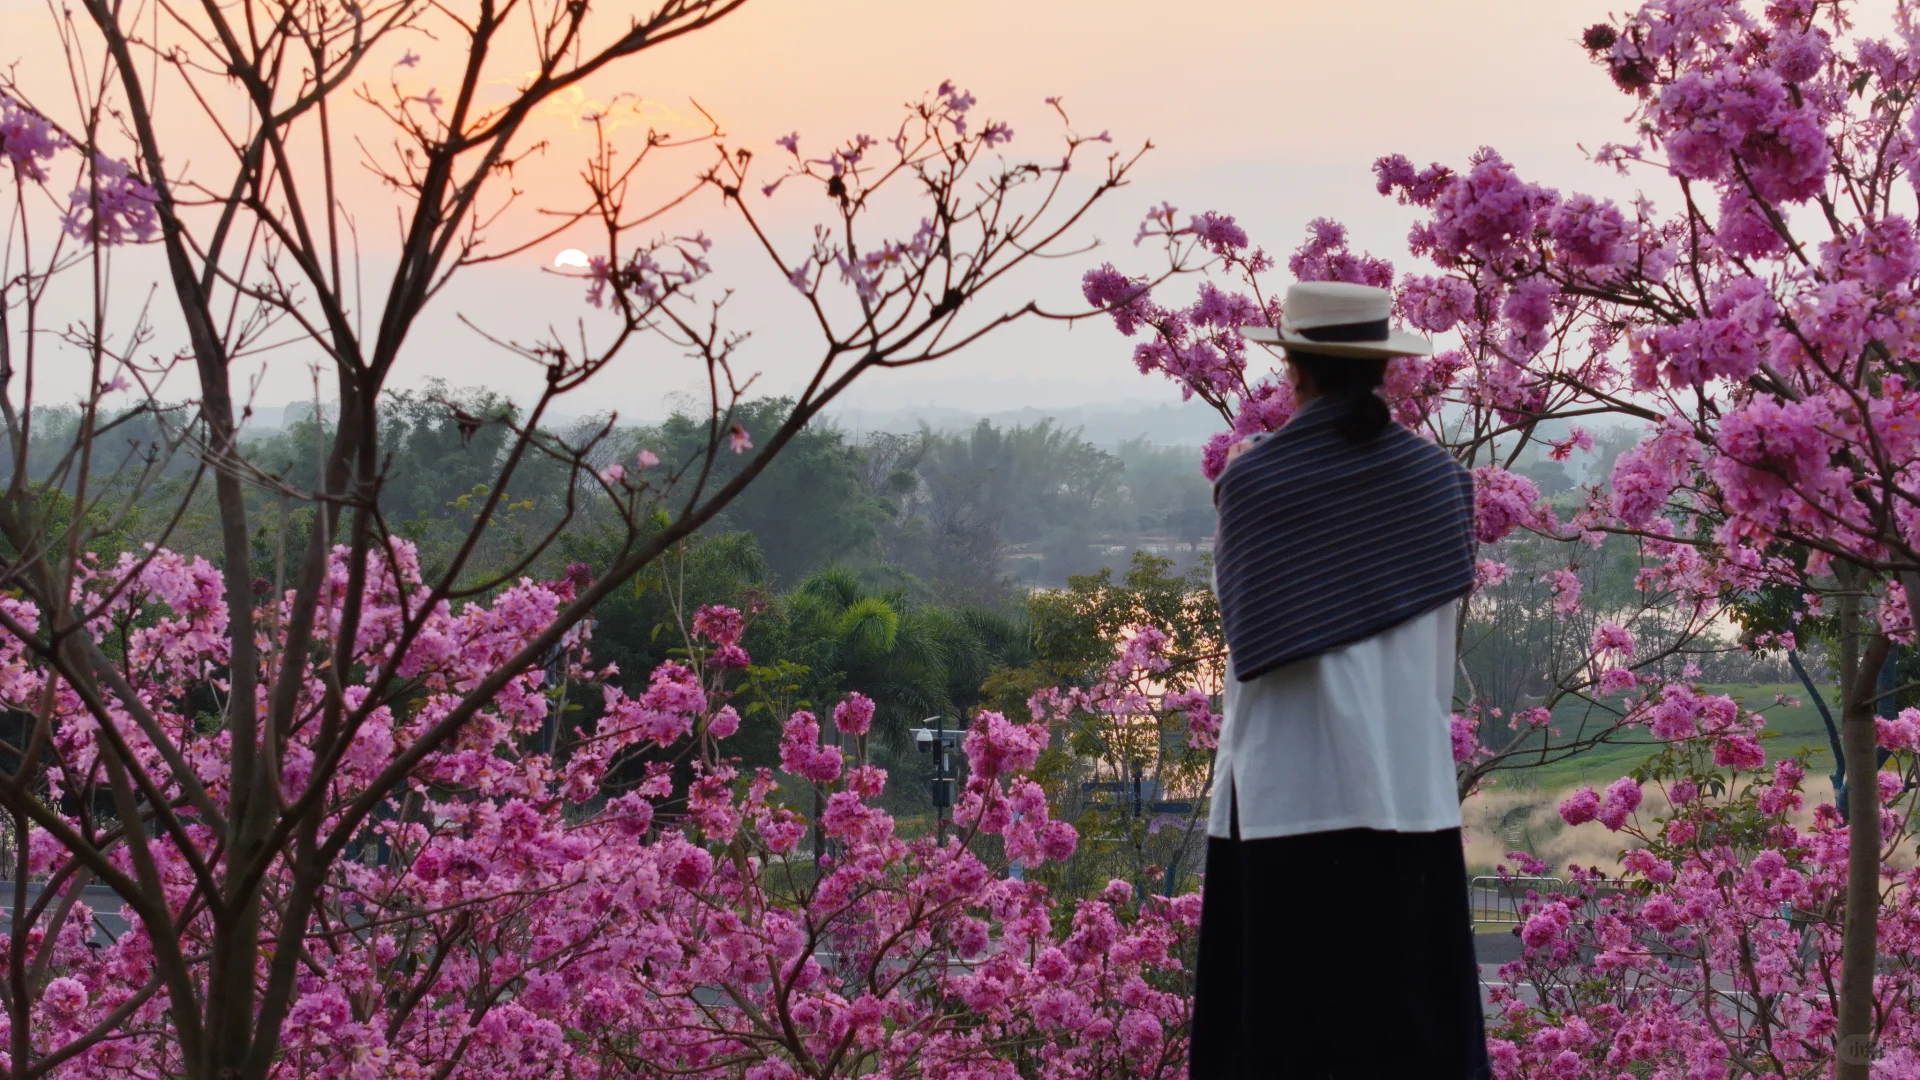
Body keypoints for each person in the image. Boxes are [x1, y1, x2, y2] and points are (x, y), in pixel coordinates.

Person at [1188, 281, 1489, 1079]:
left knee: (1281, 1043)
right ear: (1383, 371)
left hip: (1288, 799)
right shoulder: (1441, 486)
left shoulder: (1255, 485)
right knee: (1412, 1043)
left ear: (1294, 371)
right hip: (1409, 797)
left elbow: (1247, 635)